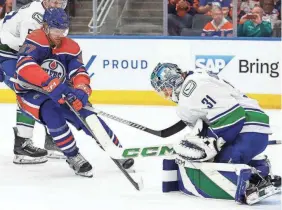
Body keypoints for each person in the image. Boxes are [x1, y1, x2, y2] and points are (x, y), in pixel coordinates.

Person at [13, 8, 134, 177]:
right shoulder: (35, 40)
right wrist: (50, 83)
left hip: (59, 90)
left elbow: (79, 72)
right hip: (31, 92)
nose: (60, 34)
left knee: (87, 114)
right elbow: (24, 67)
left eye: (63, 30)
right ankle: (73, 156)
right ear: (45, 27)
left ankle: (115, 150)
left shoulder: (71, 46)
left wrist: (82, 90)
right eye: (56, 30)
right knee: (52, 114)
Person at [150, 62, 280, 204]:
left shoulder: (191, 89)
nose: (167, 94)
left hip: (247, 131)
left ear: (173, 80)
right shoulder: (196, 78)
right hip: (252, 130)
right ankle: (262, 170)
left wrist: (211, 142)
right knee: (212, 159)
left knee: (217, 166)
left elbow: (233, 117)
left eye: (165, 89)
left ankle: (254, 183)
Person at [0, 0, 68, 164]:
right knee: (29, 91)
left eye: (61, 1)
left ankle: (53, 140)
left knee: (50, 89)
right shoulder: (33, 17)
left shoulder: (56, 14)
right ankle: (22, 145)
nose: (56, 3)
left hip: (18, 54)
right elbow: (29, 51)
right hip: (6, 55)